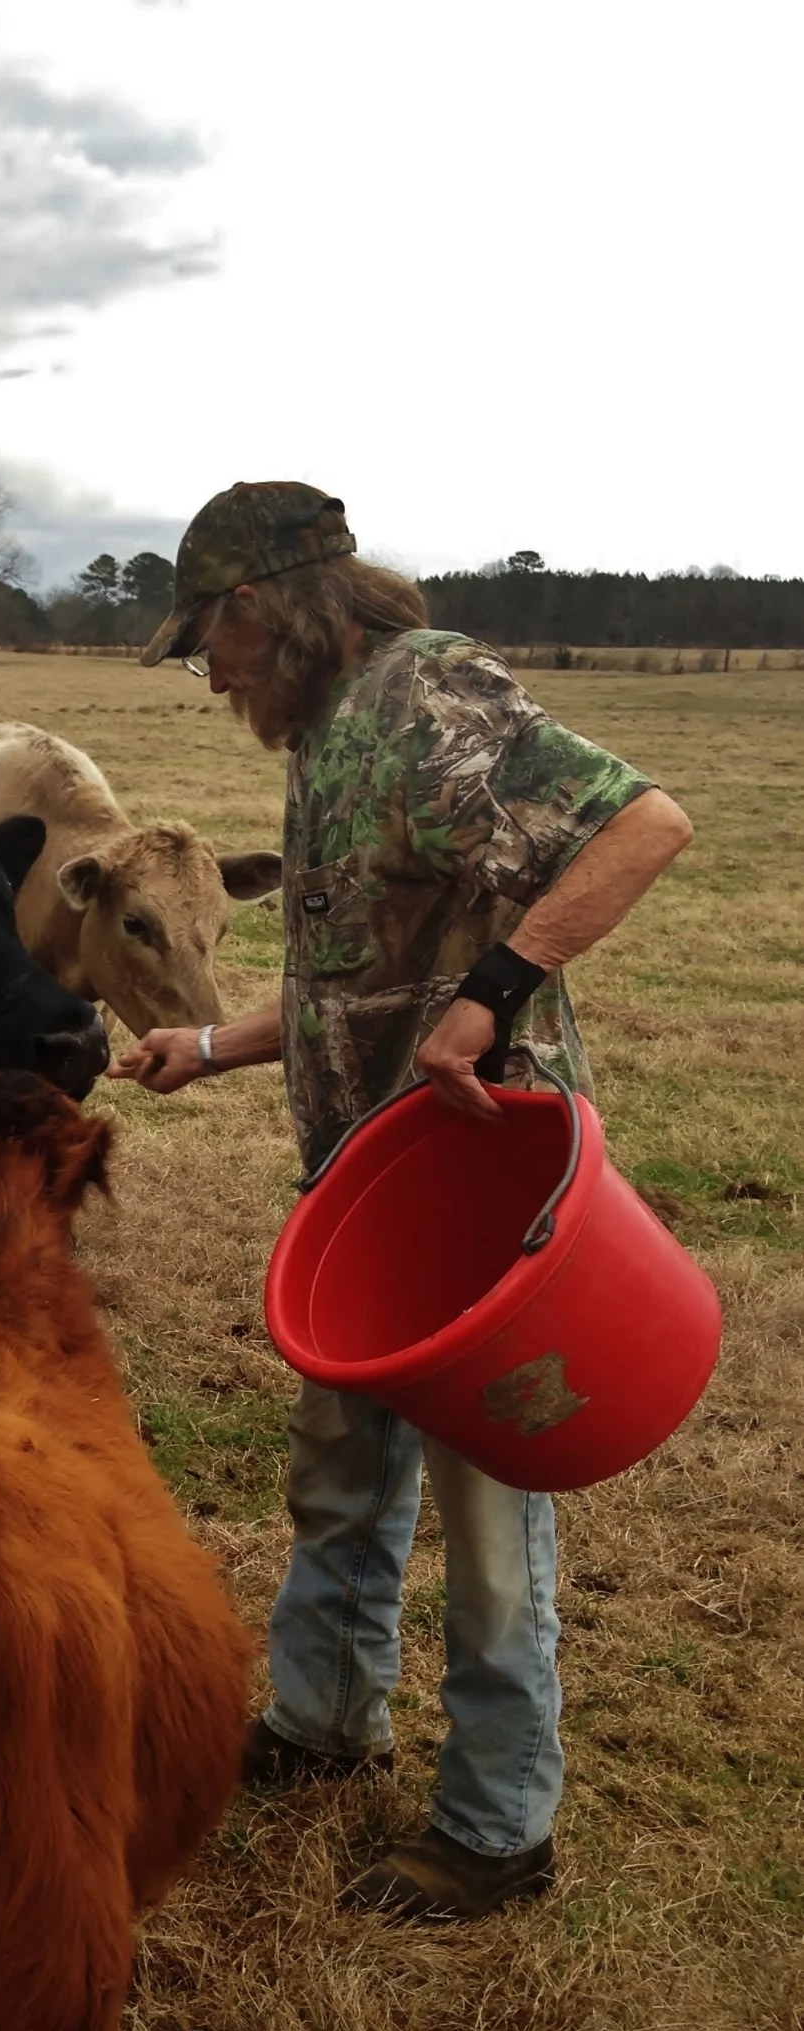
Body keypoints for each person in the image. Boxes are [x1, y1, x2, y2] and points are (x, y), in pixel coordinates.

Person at [115, 481, 693, 1922]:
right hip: (360, 1184)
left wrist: (492, 999)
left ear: (260, 607)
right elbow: (344, 976)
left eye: (208, 637)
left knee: (489, 1531)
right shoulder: (328, 738)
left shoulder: (424, 696)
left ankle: (500, 1829)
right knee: (338, 1480)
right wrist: (209, 1043)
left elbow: (642, 824)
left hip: (473, 1187)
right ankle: (320, 1721)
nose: (206, 670)